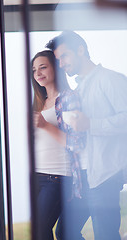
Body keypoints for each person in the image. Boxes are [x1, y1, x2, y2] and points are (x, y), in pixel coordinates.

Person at [47, 30, 127, 240]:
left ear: (80, 50)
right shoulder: (79, 89)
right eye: (58, 60)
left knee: (106, 236)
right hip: (81, 178)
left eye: (64, 56)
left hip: (104, 176)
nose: (61, 64)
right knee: (65, 232)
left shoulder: (110, 79)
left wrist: (91, 124)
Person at [31, 50, 85, 240]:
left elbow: (77, 142)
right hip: (38, 175)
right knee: (41, 230)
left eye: (43, 67)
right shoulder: (40, 102)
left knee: (40, 228)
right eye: (34, 69)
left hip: (59, 176)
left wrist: (45, 126)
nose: (38, 73)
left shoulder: (69, 97)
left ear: (57, 67)